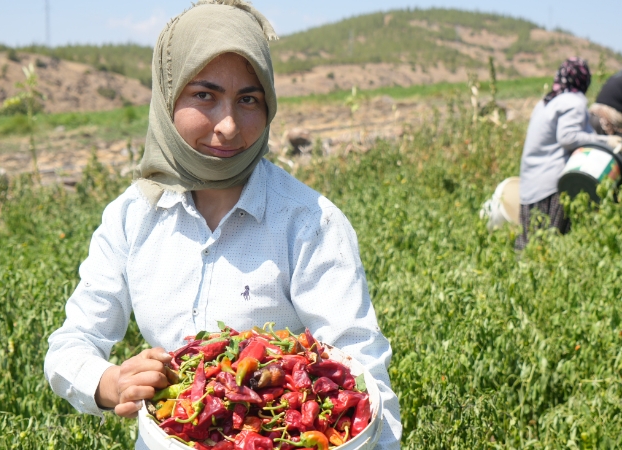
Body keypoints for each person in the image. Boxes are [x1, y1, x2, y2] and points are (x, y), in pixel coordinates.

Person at [43, 1, 402, 449]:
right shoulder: (132, 218)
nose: (229, 126)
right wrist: (109, 382)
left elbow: (362, 374)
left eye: (248, 99)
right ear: (167, 94)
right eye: (204, 96)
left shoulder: (308, 223)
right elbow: (73, 342)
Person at [515, 57, 622, 251]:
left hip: (530, 183)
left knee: (530, 244)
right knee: (551, 245)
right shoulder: (574, 102)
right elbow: (568, 137)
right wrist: (606, 140)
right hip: (551, 184)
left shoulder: (547, 101)